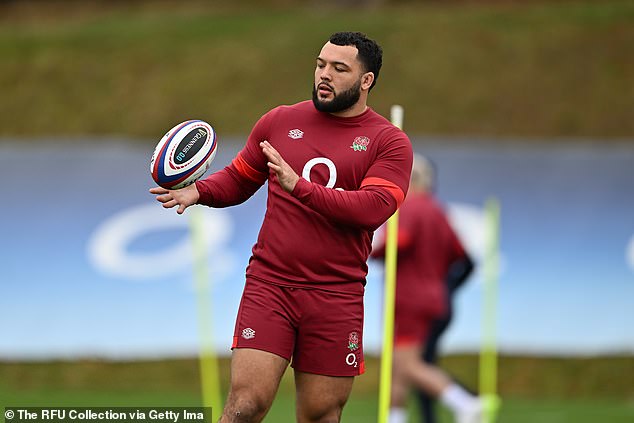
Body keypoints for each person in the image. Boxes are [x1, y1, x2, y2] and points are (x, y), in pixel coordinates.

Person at [150, 32, 413, 423]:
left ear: (366, 81)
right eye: (321, 64)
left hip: (336, 294)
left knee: (321, 414)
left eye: (340, 69)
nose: (325, 75)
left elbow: (372, 209)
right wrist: (199, 192)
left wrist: (299, 187)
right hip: (270, 284)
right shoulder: (280, 121)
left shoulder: (388, 142)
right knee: (245, 405)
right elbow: (239, 179)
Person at [371, 154, 481, 423]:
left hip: (409, 299)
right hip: (434, 297)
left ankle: (464, 402)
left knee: (407, 365)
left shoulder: (408, 209)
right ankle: (395, 418)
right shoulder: (438, 211)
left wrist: (370, 249)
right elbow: (460, 254)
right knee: (397, 366)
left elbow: (397, 243)